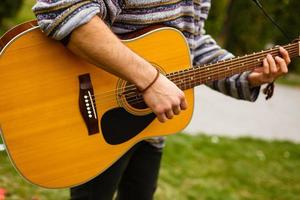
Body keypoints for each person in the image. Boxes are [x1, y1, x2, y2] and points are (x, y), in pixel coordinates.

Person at [32, 0, 290, 199]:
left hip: (149, 128)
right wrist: (151, 80)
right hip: (96, 122)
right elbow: (62, 9)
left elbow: (192, 44)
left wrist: (247, 77)